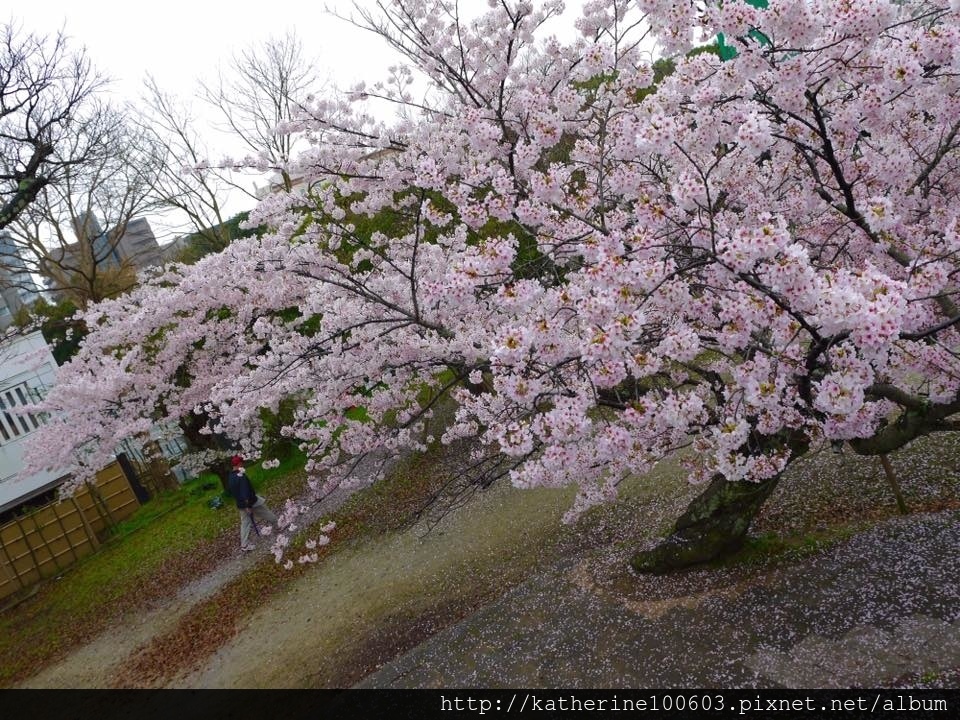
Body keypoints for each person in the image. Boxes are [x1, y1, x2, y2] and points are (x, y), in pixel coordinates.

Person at [227, 455, 277, 552]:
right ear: (239, 464)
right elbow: (244, 491)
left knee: (245, 524)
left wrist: (243, 505)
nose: (243, 464)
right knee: (265, 512)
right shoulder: (240, 476)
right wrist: (248, 506)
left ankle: (244, 544)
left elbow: (235, 492)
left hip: (240, 504)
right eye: (242, 463)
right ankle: (278, 525)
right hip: (251, 502)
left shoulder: (231, 476)